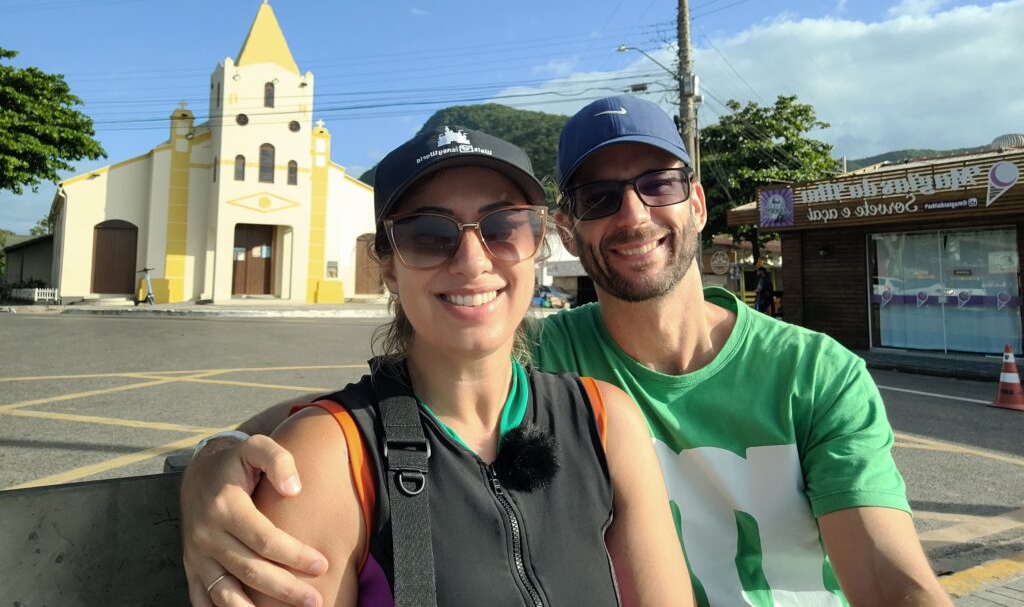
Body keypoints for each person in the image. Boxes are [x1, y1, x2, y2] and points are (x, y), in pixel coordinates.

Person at [181, 96, 951, 607]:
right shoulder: (542, 355)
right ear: (572, 230)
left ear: (700, 202)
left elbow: (889, 578)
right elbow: (370, 419)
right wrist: (215, 458)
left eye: (658, 184)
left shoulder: (811, 374)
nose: (634, 214)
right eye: (598, 198)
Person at [189, 125, 691, 607]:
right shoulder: (328, 462)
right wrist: (211, 459)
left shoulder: (606, 421)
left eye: (503, 226)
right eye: (429, 235)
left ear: (536, 244)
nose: (472, 262)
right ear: (387, 265)